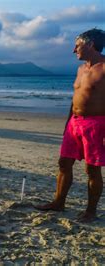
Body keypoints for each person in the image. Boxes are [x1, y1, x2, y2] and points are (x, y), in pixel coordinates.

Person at [35, 28, 105, 223]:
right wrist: (67, 124)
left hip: (96, 124)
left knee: (92, 170)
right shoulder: (81, 69)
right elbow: (75, 99)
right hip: (74, 123)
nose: (74, 50)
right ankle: (59, 202)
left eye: (77, 45)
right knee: (64, 163)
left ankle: (91, 211)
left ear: (90, 44)